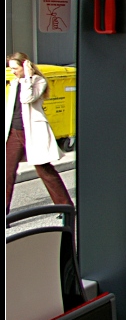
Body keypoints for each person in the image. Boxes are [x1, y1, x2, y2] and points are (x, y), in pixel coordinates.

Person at [5, 52, 74, 214]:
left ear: (25, 66)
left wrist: (28, 77)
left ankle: (65, 207)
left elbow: (27, 98)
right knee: (7, 171)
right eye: (11, 68)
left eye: (15, 68)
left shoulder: (39, 81)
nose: (13, 71)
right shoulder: (15, 83)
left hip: (33, 132)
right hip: (15, 132)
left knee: (45, 171)